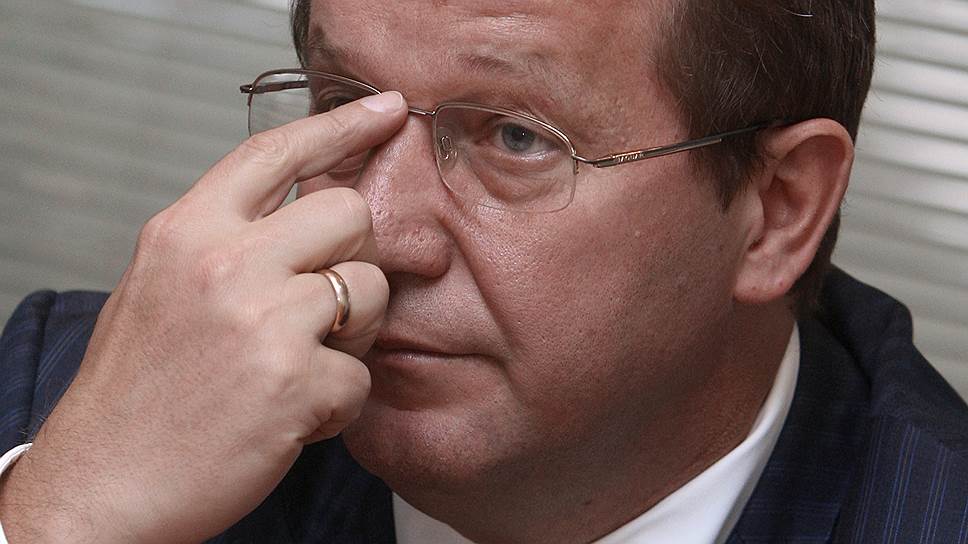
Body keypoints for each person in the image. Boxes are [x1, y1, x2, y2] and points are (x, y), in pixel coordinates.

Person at [0, 0, 966, 542]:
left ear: (778, 210)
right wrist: (59, 522)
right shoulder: (77, 418)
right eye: (343, 107)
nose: (379, 231)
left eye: (515, 137)